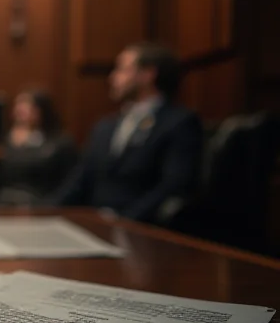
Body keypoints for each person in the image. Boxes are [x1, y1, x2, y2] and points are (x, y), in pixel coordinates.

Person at [52, 42, 202, 223]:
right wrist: (42, 214)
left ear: (147, 74)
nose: (112, 77)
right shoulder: (105, 126)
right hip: (93, 224)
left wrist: (125, 222)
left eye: (121, 69)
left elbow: (173, 185)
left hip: (141, 230)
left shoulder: (178, 122)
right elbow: (79, 181)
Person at [0, 90, 76, 206]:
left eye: (27, 105)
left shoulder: (60, 143)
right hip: (3, 200)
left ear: (42, 109)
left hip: (40, 202)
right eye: (18, 104)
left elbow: (69, 182)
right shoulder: (2, 140)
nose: (20, 109)